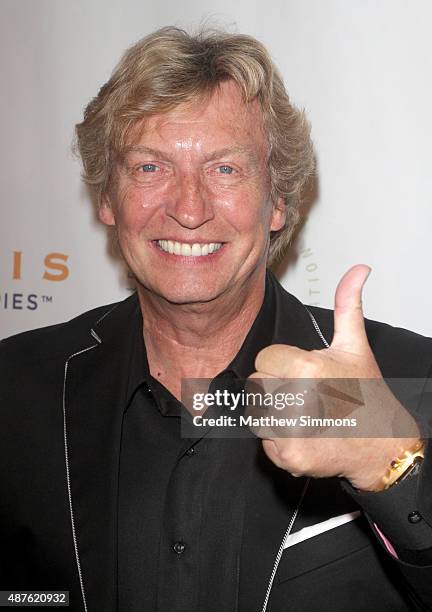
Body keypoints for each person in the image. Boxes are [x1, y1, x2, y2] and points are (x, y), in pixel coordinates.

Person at [1, 26, 431, 612]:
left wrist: (391, 470)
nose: (188, 208)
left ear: (278, 201)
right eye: (150, 167)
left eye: (225, 169)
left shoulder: (410, 383)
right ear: (107, 197)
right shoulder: (18, 385)